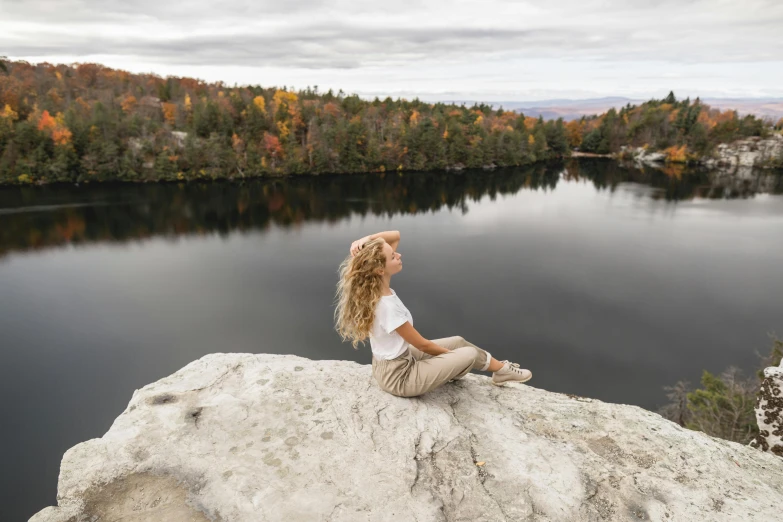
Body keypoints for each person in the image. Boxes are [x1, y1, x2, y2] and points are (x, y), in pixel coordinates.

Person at [333, 229, 532, 398]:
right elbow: (423, 345)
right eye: (393, 256)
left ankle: (501, 371)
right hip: (399, 377)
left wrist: (367, 239)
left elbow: (395, 235)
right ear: (379, 270)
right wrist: (454, 359)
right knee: (468, 354)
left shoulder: (377, 288)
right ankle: (458, 367)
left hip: (399, 361)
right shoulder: (387, 307)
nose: (398, 255)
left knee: (459, 341)